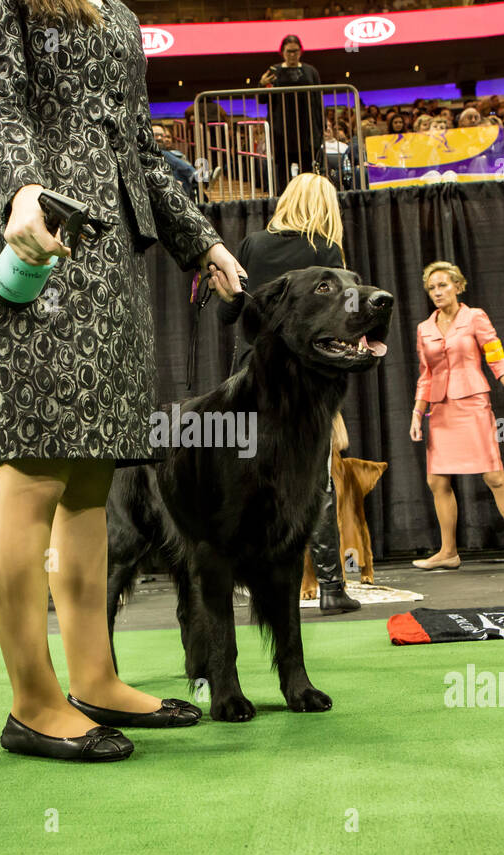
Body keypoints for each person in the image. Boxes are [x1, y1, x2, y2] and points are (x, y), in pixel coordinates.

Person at [0, 0, 245, 762]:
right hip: (39, 236)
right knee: (35, 468)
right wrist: (20, 188)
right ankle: (32, 701)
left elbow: (141, 149)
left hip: (113, 261)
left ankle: (95, 677)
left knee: (89, 475)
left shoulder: (117, 13)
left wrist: (201, 241)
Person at [215, 173, 359, 614]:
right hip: (305, 384)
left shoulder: (253, 244)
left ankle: (248, 580)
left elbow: (229, 311)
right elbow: (345, 321)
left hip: (253, 377)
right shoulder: (326, 252)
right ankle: (332, 588)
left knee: (248, 480)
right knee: (313, 484)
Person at [409, 262, 504, 570]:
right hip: (439, 410)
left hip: (472, 403)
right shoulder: (424, 328)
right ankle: (448, 552)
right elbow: (426, 375)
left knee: (493, 475)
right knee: (437, 480)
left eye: (443, 285)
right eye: (431, 288)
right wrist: (417, 412)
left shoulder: (474, 317)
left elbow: (495, 356)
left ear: (458, 286)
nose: (437, 292)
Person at [259, 34, 323, 194]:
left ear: (301, 51)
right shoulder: (274, 71)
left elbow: (317, 101)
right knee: (282, 169)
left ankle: (307, 202)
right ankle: (284, 202)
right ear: (282, 52)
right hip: (282, 129)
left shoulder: (311, 71)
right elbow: (262, 99)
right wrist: (262, 84)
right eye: (289, 51)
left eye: (295, 51)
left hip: (306, 128)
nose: (292, 55)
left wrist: (321, 126)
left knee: (307, 170)